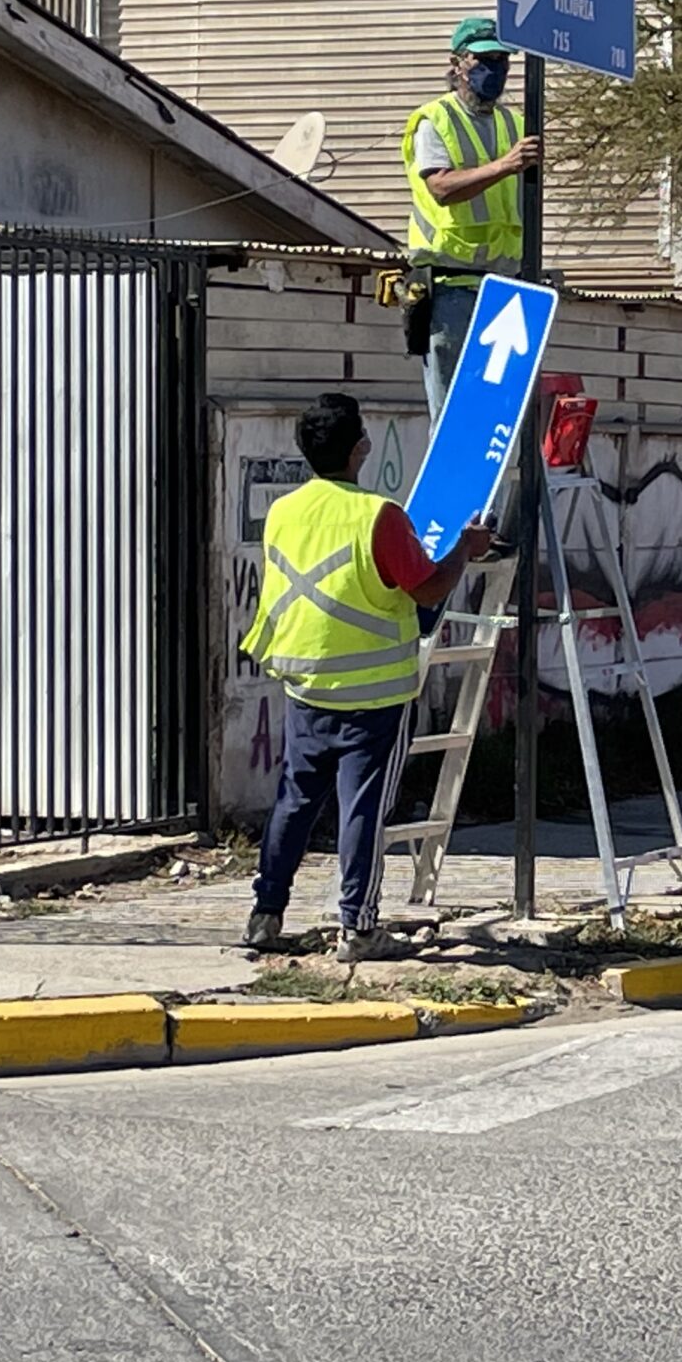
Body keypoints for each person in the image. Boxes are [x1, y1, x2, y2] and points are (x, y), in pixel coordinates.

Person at [241, 393, 492, 961]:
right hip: (375, 693)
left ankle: (265, 914)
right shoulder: (378, 516)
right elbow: (427, 587)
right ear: (361, 448)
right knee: (362, 808)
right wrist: (464, 551)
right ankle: (357, 927)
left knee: (294, 800)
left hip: (306, 681)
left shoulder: (283, 511)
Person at [401, 16, 543, 420]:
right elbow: (441, 188)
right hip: (451, 286)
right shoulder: (435, 119)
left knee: (499, 417)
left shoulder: (514, 124)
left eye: (502, 60)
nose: (495, 69)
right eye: (484, 59)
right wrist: (505, 165)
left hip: (504, 289)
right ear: (457, 63)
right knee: (453, 418)